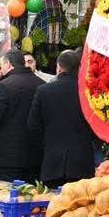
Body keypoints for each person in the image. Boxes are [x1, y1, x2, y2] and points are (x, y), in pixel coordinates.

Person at [28, 49, 95, 185]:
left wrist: (46, 144)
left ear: (59, 66)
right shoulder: (88, 93)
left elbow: (33, 125)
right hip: (82, 162)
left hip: (52, 161)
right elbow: (96, 125)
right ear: (79, 67)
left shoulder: (44, 91)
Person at [0, 50, 46, 182]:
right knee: (32, 195)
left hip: (9, 156)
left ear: (8, 64)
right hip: (35, 153)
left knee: (8, 193)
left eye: (2, 65)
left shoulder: (4, 85)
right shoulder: (42, 84)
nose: (1, 68)